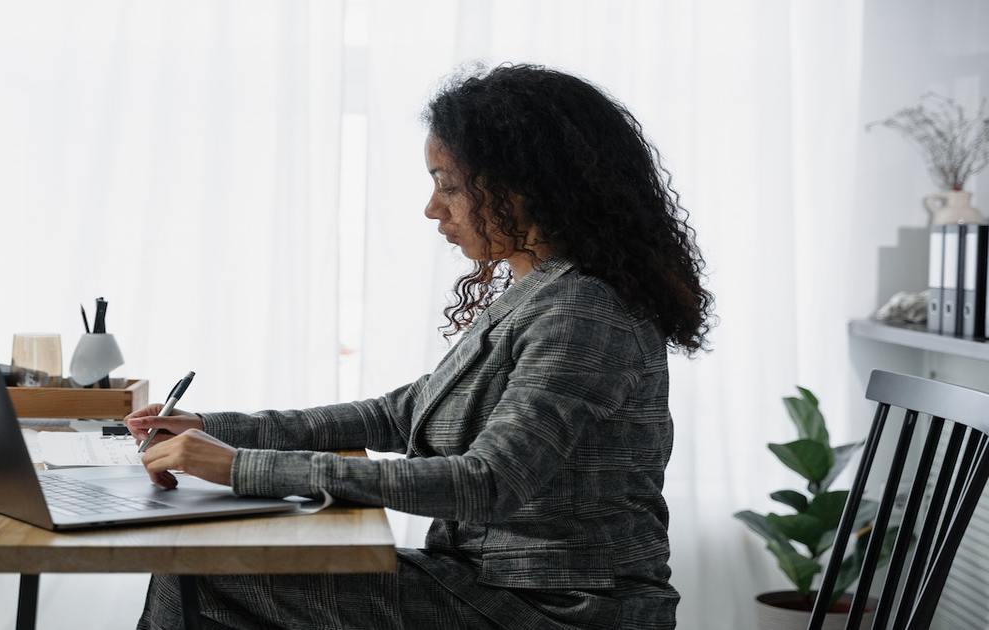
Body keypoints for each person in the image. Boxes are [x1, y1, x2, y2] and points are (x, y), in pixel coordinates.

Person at [129, 63, 712, 630]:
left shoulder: (584, 311)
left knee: (195, 569)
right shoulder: (539, 292)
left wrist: (241, 467)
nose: (433, 208)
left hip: (558, 608)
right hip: (489, 586)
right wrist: (215, 428)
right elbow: (396, 413)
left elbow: (487, 482)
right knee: (196, 569)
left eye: (448, 185)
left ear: (524, 189)